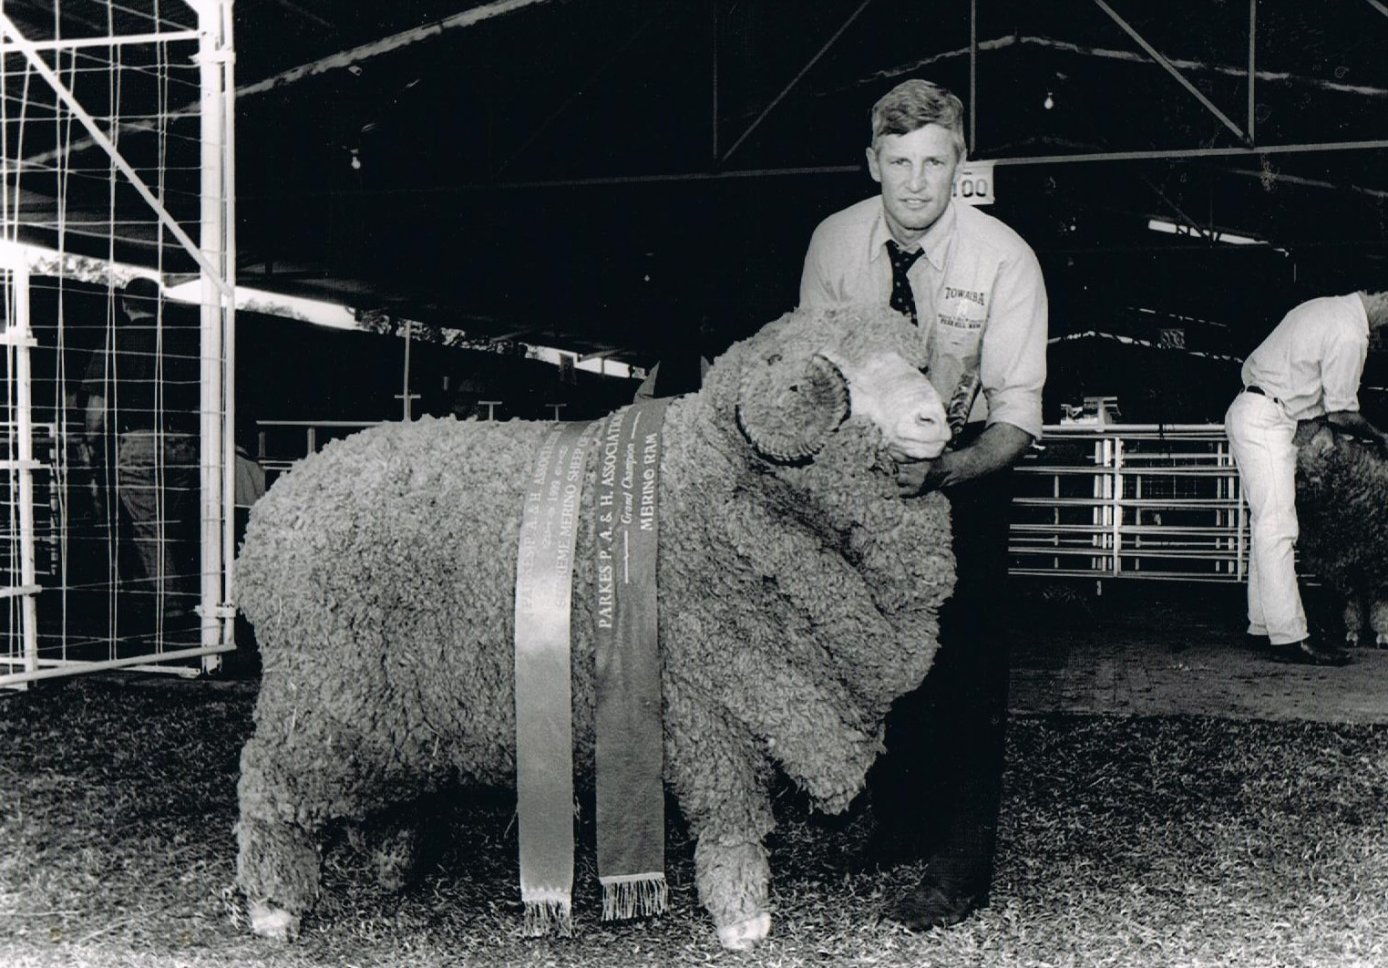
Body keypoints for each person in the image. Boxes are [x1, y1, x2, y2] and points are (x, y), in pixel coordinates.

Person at [799, 79, 1047, 930]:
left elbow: (1017, 416)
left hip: (965, 467)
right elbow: (812, 373)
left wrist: (945, 471)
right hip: (863, 474)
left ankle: (962, 862)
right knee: (874, 657)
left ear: (959, 166)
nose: (915, 182)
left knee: (966, 664)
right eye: (898, 162)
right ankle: (899, 817)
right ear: (873, 162)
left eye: (934, 162)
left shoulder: (1005, 258)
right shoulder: (833, 243)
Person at [1224, 290, 1388, 666]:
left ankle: (1263, 624)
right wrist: (1380, 437)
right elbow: (1342, 412)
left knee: (1266, 524)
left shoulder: (1323, 308)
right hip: (1268, 418)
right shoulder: (1350, 331)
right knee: (1278, 525)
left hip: (1259, 410)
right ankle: (1289, 637)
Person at [83, 277, 202, 648]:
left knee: (149, 530)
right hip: (182, 441)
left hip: (137, 441)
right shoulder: (183, 342)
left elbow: (97, 408)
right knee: (173, 527)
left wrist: (91, 443)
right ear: (161, 304)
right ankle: (177, 598)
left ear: (123, 304)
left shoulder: (115, 341)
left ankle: (172, 609)